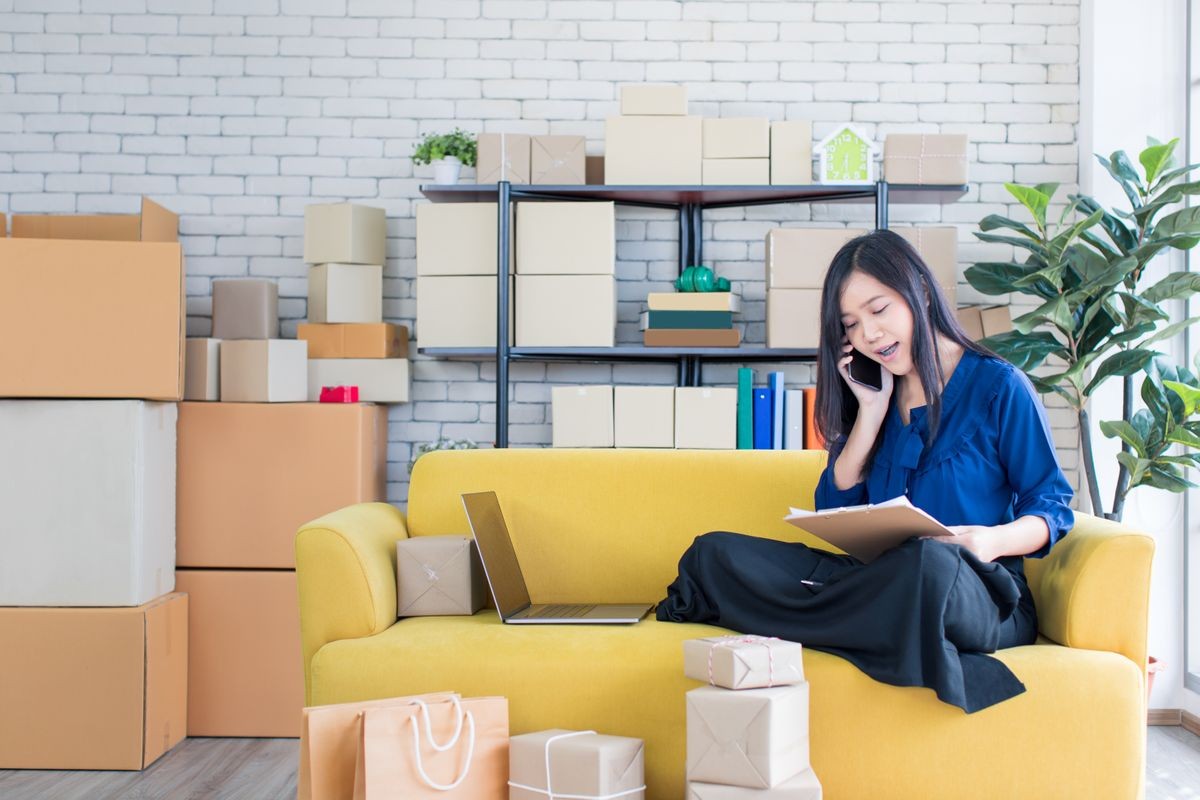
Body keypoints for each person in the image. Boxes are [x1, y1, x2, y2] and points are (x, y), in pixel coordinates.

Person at [655, 229, 1074, 713]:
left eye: (878, 311)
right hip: (876, 583)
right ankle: (880, 630)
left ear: (917, 287)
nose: (868, 335)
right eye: (850, 325)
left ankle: (829, 621)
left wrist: (985, 542)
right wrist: (871, 413)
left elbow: (1052, 507)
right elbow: (833, 510)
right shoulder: (876, 393)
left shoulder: (1000, 386)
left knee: (927, 565)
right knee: (714, 553)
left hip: (976, 592)